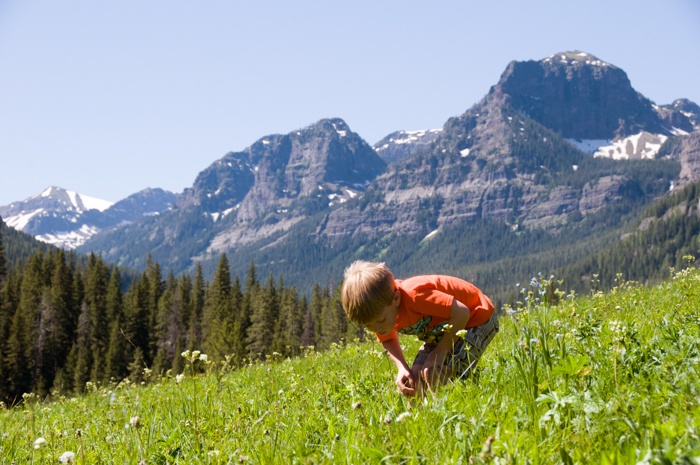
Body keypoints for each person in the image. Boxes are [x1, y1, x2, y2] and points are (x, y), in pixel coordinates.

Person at [341, 260, 498, 397]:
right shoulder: (380, 311)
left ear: (396, 299)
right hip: (441, 330)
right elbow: (388, 339)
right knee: (414, 379)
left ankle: (454, 410)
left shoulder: (415, 297)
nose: (376, 329)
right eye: (368, 326)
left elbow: (462, 313)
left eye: (380, 321)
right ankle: (416, 422)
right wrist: (402, 368)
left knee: (435, 372)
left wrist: (440, 352)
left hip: (476, 319)